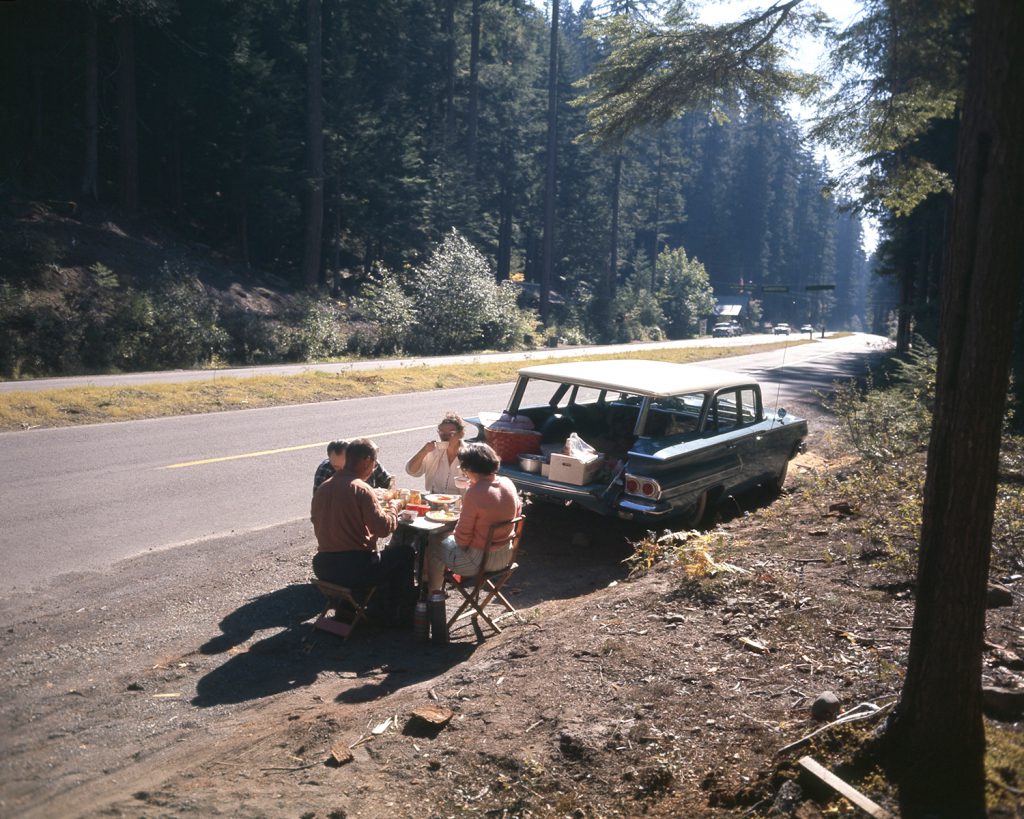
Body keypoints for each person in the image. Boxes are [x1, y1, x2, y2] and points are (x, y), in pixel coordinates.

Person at [310, 438, 415, 624]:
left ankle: (359, 607)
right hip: (353, 568)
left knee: (385, 557)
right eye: (374, 464)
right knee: (405, 554)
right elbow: (383, 529)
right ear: (366, 461)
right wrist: (394, 507)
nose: (374, 468)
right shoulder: (361, 489)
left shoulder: (324, 487)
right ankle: (399, 614)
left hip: (323, 566)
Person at [424, 442, 522, 594]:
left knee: (433, 542)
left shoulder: (475, 492)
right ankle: (434, 593)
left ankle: (433, 594)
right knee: (444, 539)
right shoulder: (508, 483)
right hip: (506, 555)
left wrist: (449, 537)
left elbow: (462, 539)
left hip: (479, 561)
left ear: (469, 468)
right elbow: (516, 513)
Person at [405, 412, 467, 494]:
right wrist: (424, 451)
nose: (445, 437)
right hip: (435, 499)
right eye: (441, 433)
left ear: (461, 434)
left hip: (460, 501)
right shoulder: (433, 450)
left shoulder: (469, 454)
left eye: (451, 433)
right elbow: (412, 471)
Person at [313, 439, 395, 495]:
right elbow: (318, 501)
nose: (343, 471)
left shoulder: (368, 462)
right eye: (336, 467)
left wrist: (382, 493)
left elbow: (389, 482)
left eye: (346, 466)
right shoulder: (325, 470)